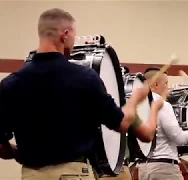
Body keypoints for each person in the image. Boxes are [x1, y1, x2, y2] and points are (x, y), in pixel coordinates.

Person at [0, 8, 157, 180]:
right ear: (65, 35)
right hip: (72, 174)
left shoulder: (11, 83)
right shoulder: (84, 78)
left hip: (30, 175)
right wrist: (134, 99)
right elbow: (121, 124)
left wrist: (16, 151)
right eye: (74, 36)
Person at [138, 67, 188, 180]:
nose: (167, 86)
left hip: (143, 169)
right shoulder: (163, 105)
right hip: (163, 169)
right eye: (166, 83)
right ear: (156, 84)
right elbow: (179, 139)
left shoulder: (138, 105)